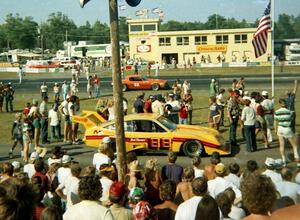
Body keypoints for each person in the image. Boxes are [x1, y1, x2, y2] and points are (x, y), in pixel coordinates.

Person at [274, 98, 299, 165]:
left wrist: (275, 129)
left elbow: (276, 121)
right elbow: (291, 120)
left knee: (282, 145)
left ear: (280, 104)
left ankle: (284, 160)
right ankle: (297, 160)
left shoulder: (277, 112)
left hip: (280, 128)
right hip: (287, 129)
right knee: (294, 145)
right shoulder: (290, 112)